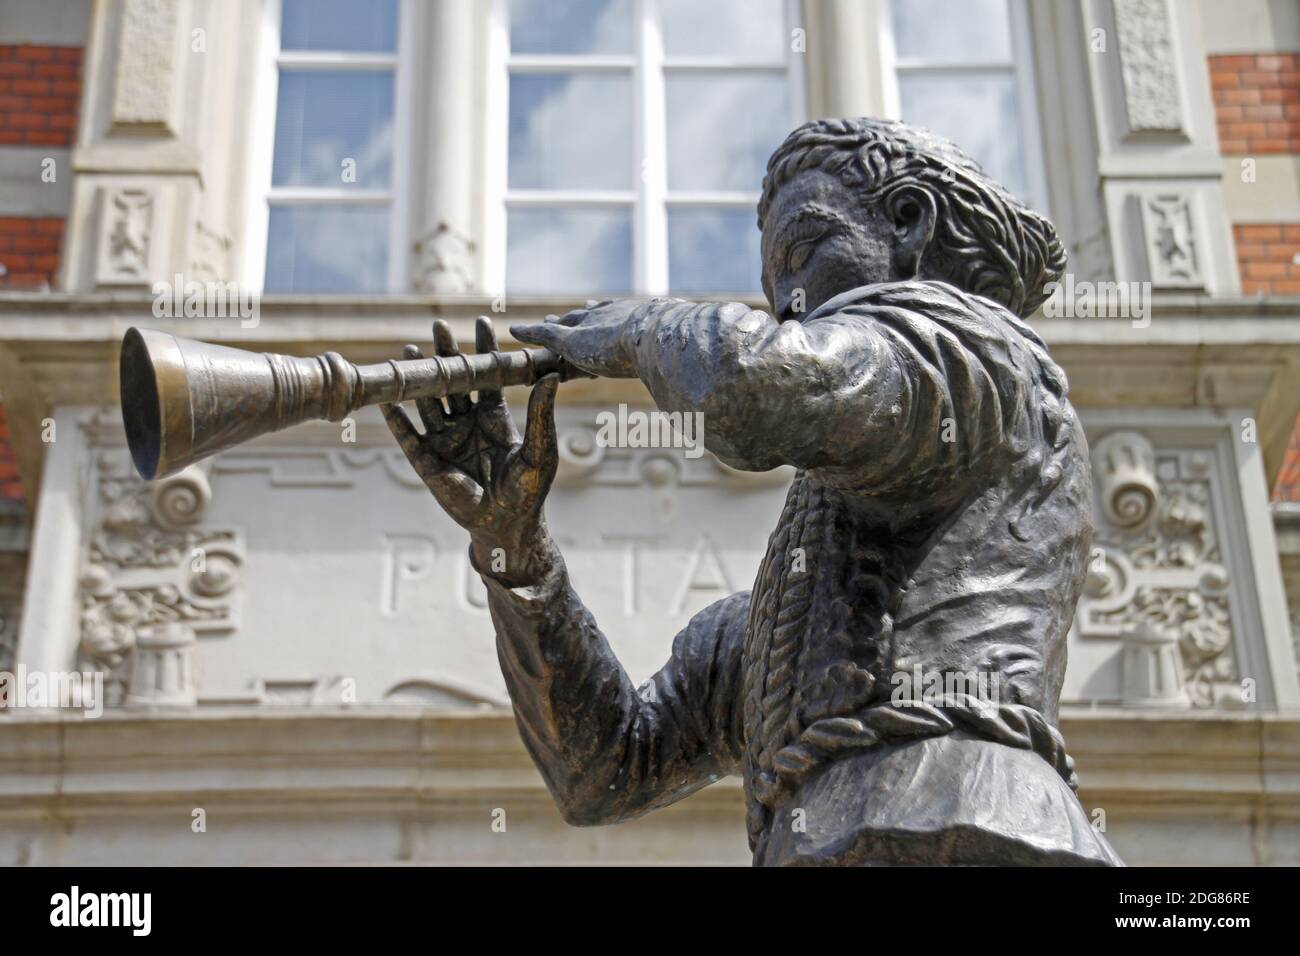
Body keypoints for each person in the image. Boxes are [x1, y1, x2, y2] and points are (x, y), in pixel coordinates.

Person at [382, 118, 1122, 866]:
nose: (792, 305)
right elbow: (602, 774)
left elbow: (751, 384)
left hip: (969, 825)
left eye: (807, 252)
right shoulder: (781, 634)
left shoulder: (970, 348)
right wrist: (514, 550)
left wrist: (639, 329)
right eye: (775, 294)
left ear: (907, 222)